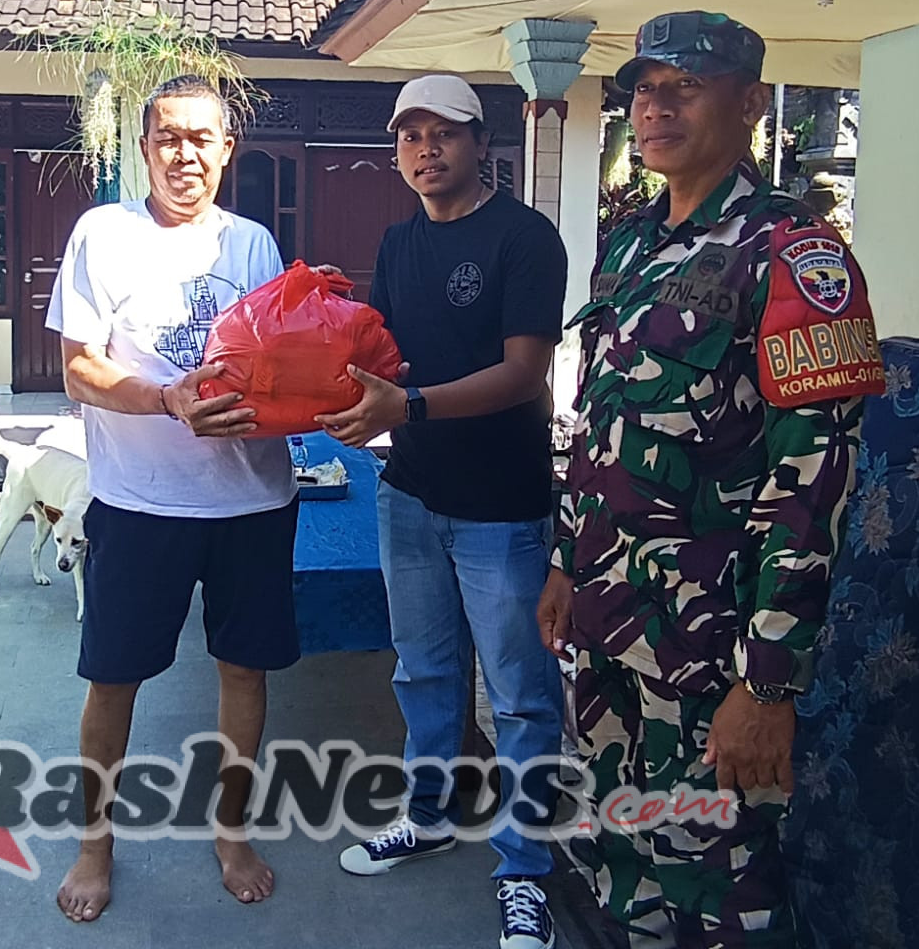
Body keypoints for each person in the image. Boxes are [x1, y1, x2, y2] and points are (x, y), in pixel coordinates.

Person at [537, 11, 885, 947]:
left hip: (711, 652)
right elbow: (603, 425)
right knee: (624, 861)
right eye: (645, 88)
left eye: (684, 87)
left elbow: (815, 485)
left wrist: (768, 688)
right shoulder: (631, 245)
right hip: (614, 628)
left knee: (722, 884)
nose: (655, 107)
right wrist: (569, 566)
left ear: (750, 103)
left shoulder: (798, 256)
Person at [318, 75, 568, 949]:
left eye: (445, 134)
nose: (426, 150)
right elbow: (376, 348)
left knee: (521, 697)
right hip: (412, 495)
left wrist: (407, 407)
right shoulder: (397, 242)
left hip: (501, 504)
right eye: (410, 136)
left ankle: (526, 869)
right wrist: (317, 321)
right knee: (423, 674)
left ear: (480, 143)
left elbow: (522, 375)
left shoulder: (526, 239)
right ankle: (427, 814)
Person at [46, 74, 299, 922]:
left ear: (228, 151)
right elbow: (79, 370)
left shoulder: (255, 244)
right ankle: (94, 844)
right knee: (113, 679)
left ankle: (231, 831)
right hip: (140, 500)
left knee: (244, 672)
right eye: (167, 138)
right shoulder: (102, 235)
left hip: (251, 502)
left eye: (202, 139)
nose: (184, 155)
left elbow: (276, 364)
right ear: (143, 146)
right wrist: (164, 398)